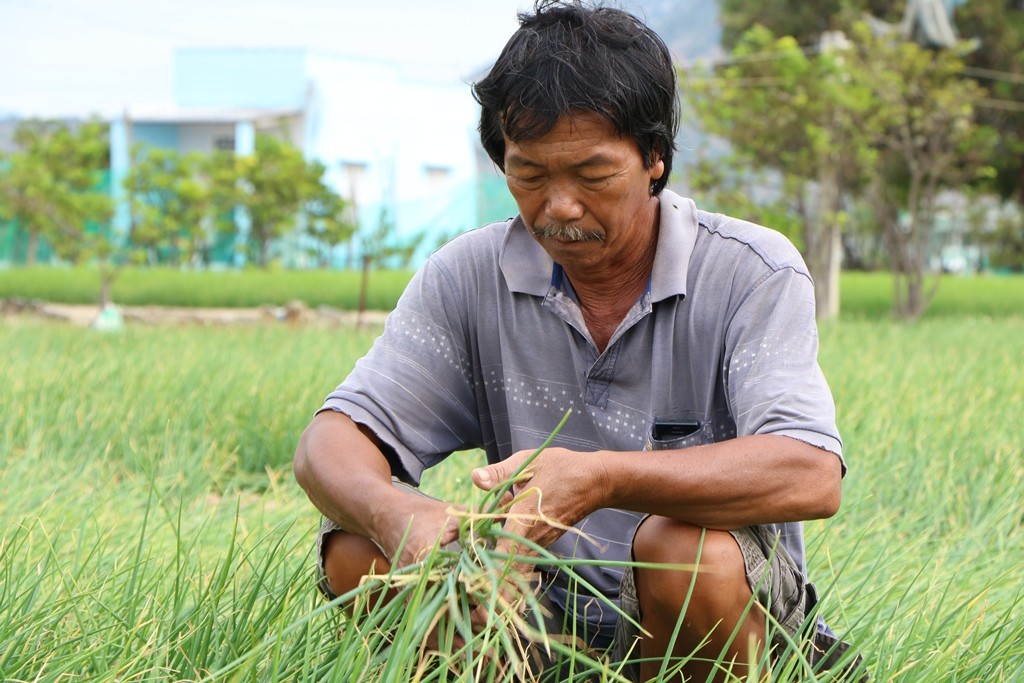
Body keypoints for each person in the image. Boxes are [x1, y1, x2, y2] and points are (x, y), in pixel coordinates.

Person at [294, 1, 863, 680]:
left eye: (593, 176)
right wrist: (397, 512)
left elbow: (809, 471)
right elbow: (329, 442)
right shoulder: (469, 275)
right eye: (529, 175)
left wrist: (599, 478)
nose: (559, 206)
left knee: (686, 550)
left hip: (710, 616)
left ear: (654, 158)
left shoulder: (751, 271)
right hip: (529, 611)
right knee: (362, 547)